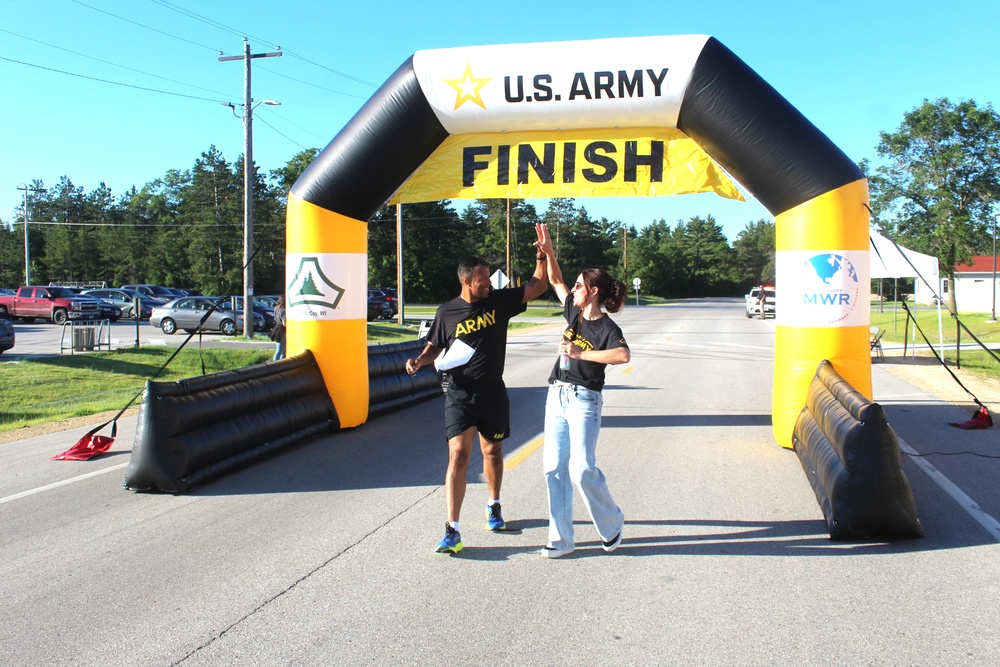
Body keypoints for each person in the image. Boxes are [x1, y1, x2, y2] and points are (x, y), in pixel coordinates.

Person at [405, 225, 549, 554]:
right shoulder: (447, 312)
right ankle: (451, 529)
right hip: (459, 392)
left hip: (492, 391)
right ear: (467, 280)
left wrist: (540, 254)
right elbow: (434, 347)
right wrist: (419, 361)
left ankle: (493, 505)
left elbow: (538, 286)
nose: (488, 283)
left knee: (492, 452)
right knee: (458, 454)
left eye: (488, 277)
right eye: (483, 278)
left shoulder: (498, 301)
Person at [536, 225, 630, 558]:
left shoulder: (607, 328)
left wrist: (580, 354)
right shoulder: (573, 311)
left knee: (580, 469)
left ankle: (612, 523)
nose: (572, 289)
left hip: (584, 401)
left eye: (579, 285)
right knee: (554, 468)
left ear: (591, 291)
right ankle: (561, 539)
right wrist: (548, 252)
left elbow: (623, 355)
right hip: (557, 396)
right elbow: (556, 280)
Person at [271, 296, 286, 361]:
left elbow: (275, 318)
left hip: (276, 328)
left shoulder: (276, 308)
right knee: (280, 350)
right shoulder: (283, 310)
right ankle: (274, 364)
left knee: (282, 349)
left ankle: (280, 364)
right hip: (282, 330)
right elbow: (284, 323)